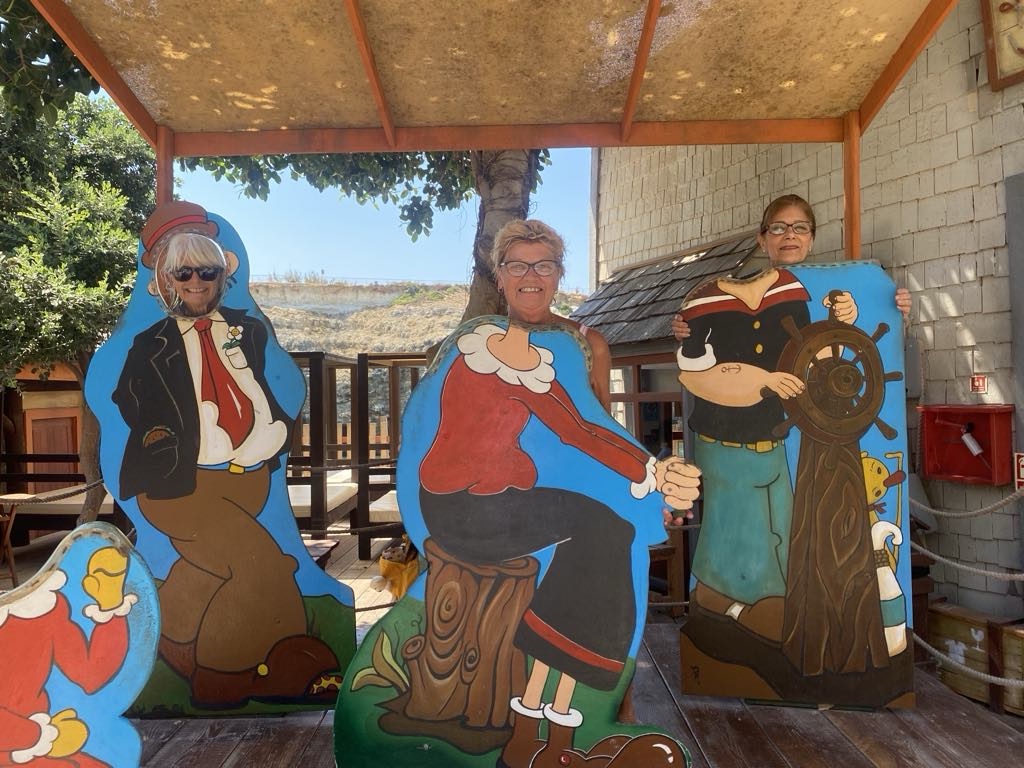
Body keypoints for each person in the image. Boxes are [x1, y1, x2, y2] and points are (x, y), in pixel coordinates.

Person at [417, 220, 701, 768]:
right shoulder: (476, 349)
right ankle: (543, 727)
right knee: (600, 530)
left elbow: (589, 429)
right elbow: (576, 435)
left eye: (543, 264)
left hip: (506, 497)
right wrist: (649, 475)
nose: (531, 276)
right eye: (518, 265)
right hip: (460, 507)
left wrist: (653, 476)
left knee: (608, 533)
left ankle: (556, 724)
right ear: (499, 275)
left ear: (558, 274)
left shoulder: (562, 349)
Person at [112, 202, 338, 708]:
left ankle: (171, 642)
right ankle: (223, 678)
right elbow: (129, 399)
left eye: (207, 272)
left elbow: (269, 386)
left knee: (210, 565)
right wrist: (165, 440)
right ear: (164, 280)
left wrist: (273, 430)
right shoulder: (150, 345)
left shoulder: (246, 331)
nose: (196, 282)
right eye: (183, 273)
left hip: (246, 476)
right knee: (263, 565)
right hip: (180, 485)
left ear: (222, 276)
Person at [672, 194, 910, 644]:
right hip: (727, 444)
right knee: (738, 533)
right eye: (779, 228)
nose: (789, 236)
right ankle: (734, 608)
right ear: (762, 238)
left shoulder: (800, 295)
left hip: (776, 444)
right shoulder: (711, 298)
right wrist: (689, 332)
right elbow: (695, 371)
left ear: (812, 237)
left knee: (782, 531)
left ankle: (766, 611)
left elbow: (822, 351)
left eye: (800, 227)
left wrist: (886, 310)